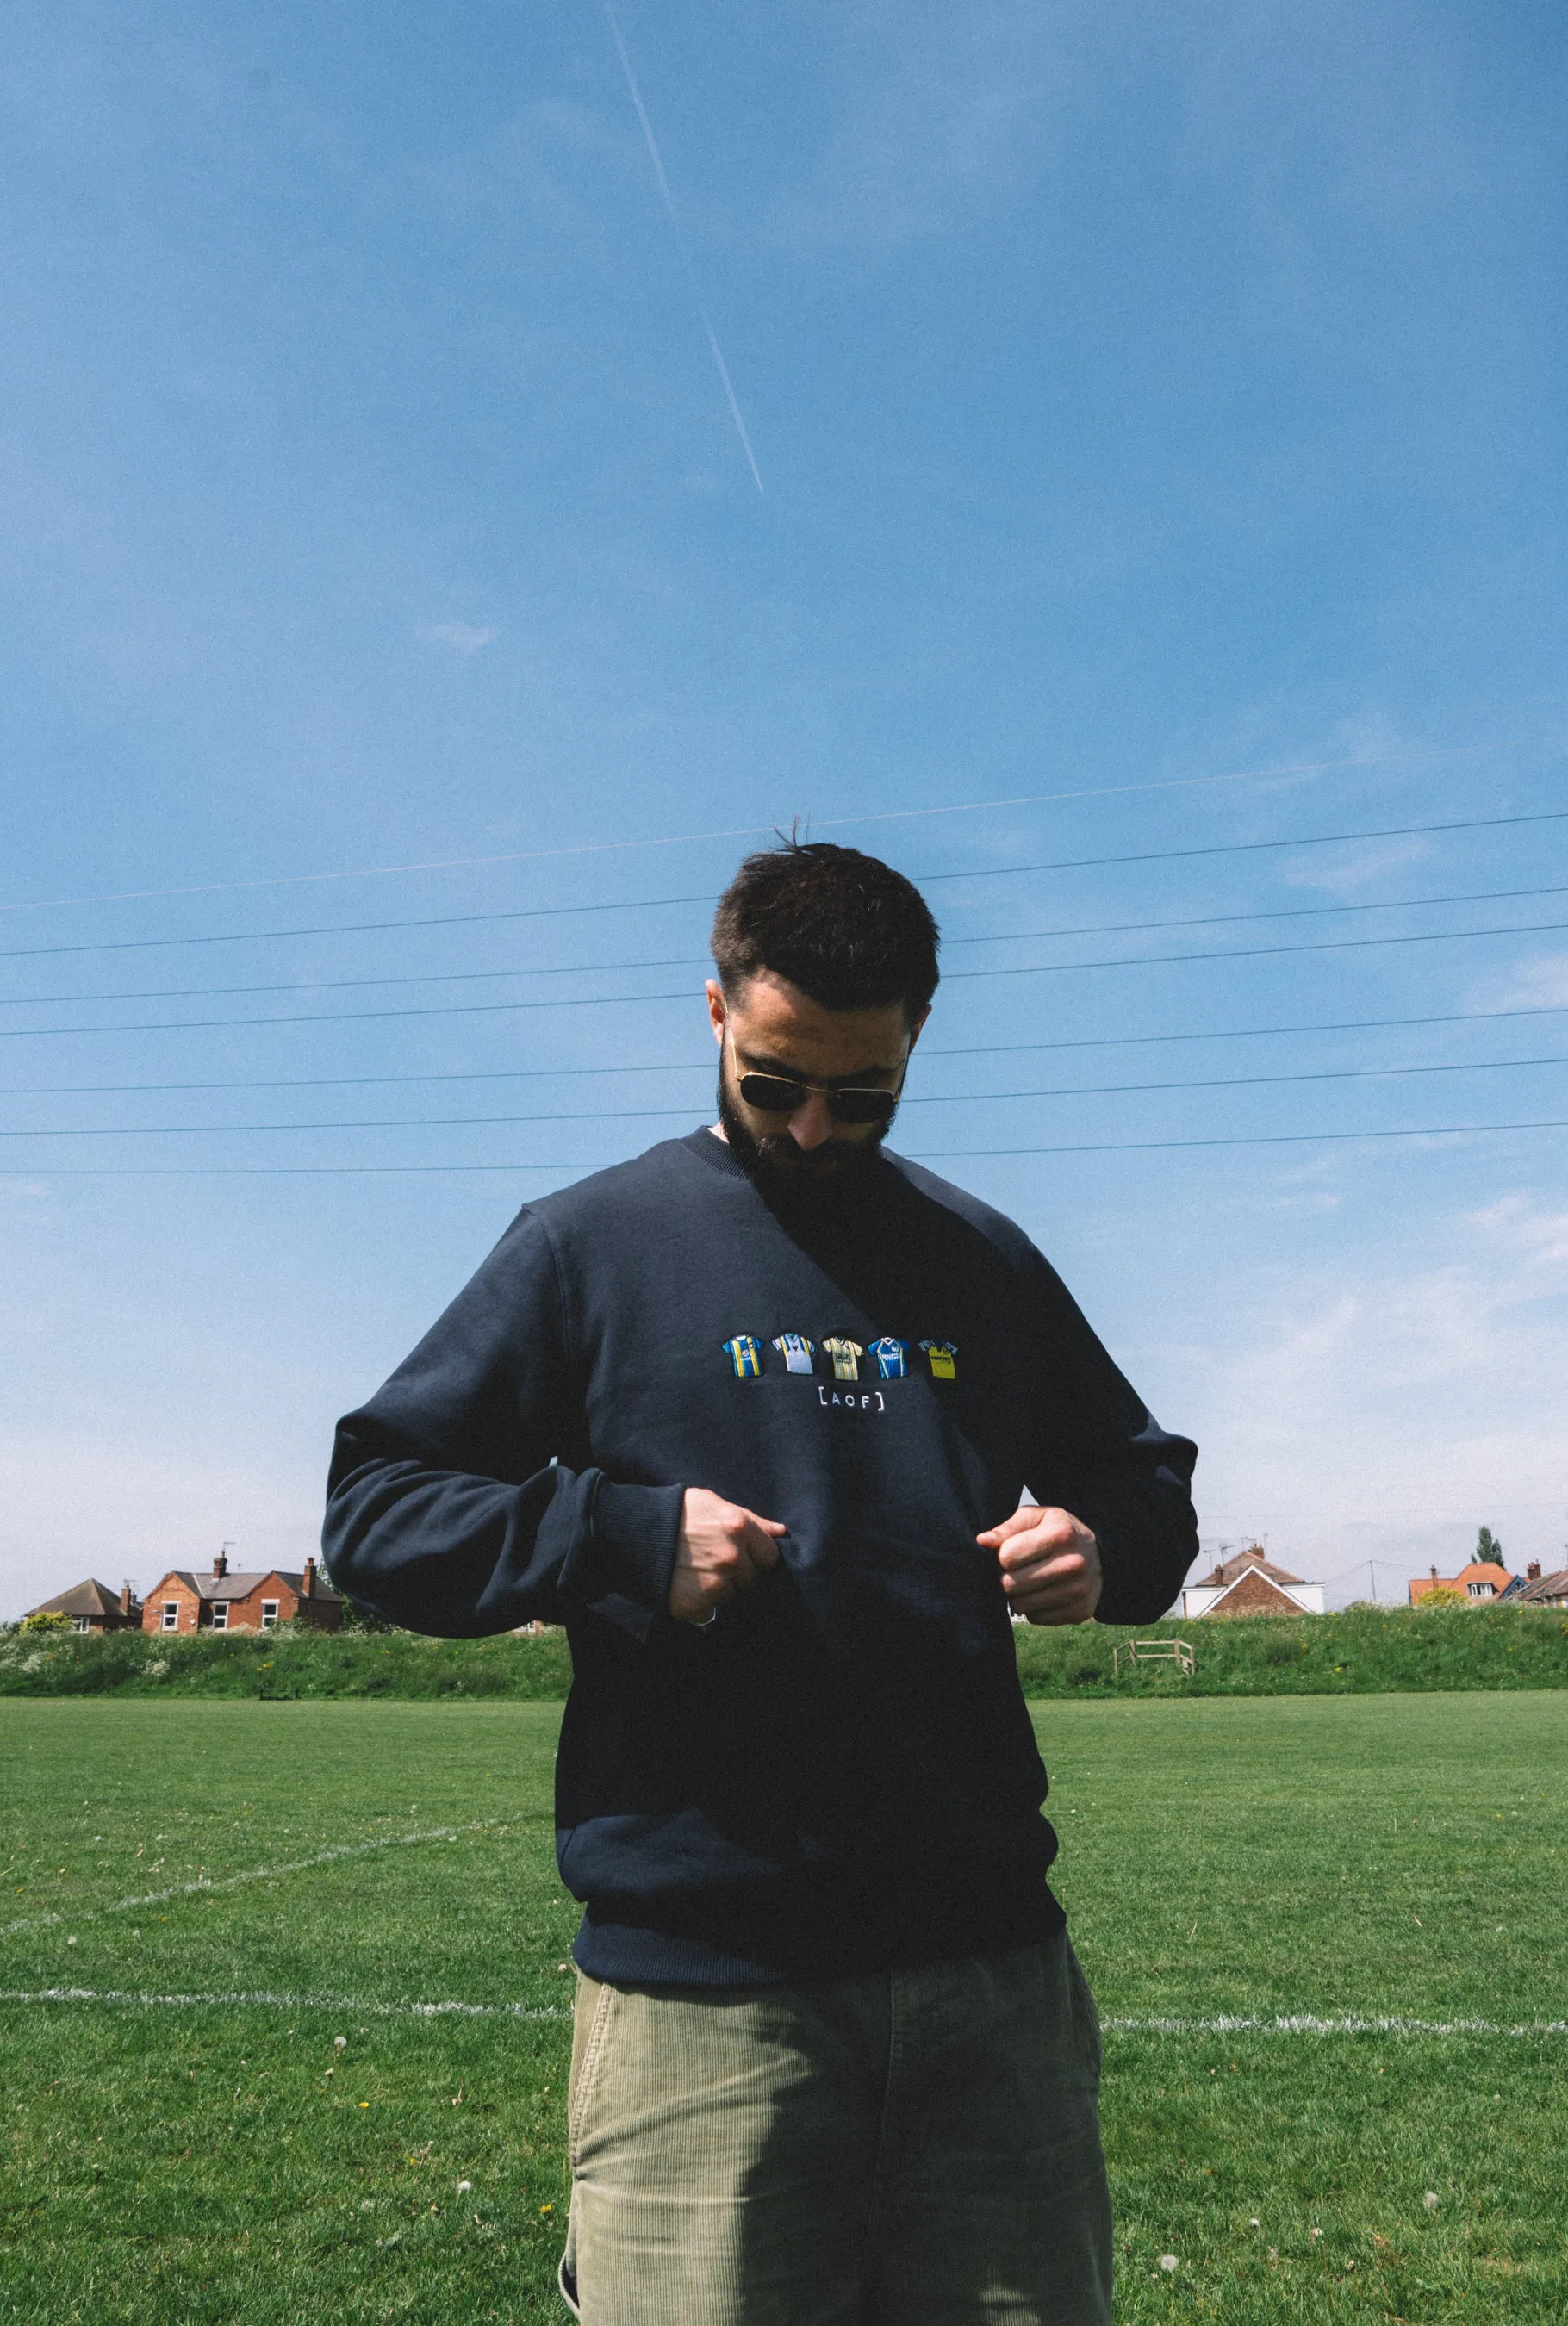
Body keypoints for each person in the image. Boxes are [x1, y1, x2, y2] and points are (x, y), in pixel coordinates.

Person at [322, 840, 1198, 2325]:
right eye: (774, 1081)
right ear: (714, 1013)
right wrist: (616, 1538)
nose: (809, 1127)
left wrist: (1105, 1548)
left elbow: (1150, 1491)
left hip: (988, 1977)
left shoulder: (981, 1258)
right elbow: (378, 1512)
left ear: (920, 1031)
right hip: (700, 2001)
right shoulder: (590, 1245)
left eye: (861, 1095)